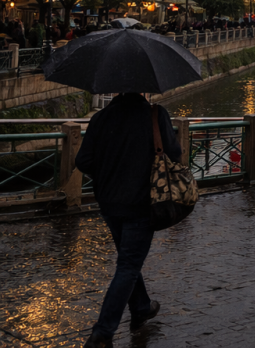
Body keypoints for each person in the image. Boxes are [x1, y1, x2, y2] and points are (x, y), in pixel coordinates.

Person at [76, 93, 183, 346]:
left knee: (128, 260)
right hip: (142, 203)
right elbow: (174, 155)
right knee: (128, 266)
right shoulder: (156, 115)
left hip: (110, 204)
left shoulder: (100, 118)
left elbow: (83, 161)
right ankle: (102, 332)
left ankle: (142, 307)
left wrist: (107, 175)